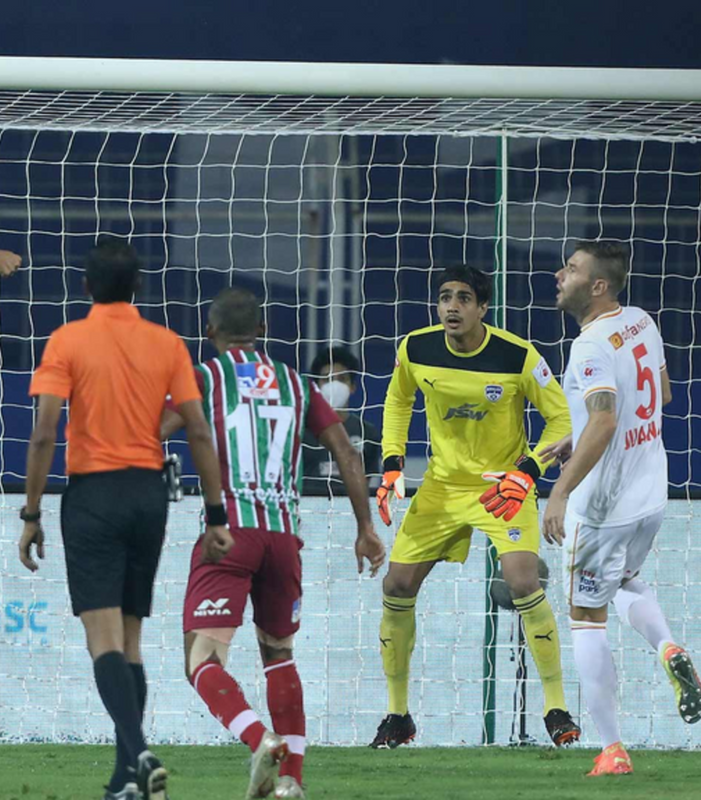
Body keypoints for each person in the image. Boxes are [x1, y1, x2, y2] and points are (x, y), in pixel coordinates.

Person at [18, 237, 233, 800]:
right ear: (138, 285)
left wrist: (31, 512)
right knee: (132, 641)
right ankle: (124, 781)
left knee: (103, 641)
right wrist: (216, 515)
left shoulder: (68, 340)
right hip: (148, 496)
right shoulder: (166, 344)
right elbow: (198, 429)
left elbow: (44, 434)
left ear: (86, 286)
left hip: (94, 494)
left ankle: (138, 751)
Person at [160, 287, 386, 800]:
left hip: (229, 532)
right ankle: (291, 782)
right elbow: (348, 454)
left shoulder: (205, 377)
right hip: (283, 536)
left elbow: (155, 433)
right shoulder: (296, 384)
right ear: (261, 331)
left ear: (209, 333)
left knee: (202, 658)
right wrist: (365, 528)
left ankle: (260, 738)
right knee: (279, 652)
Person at [371, 265, 581, 749]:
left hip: (501, 487)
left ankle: (556, 708)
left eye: (463, 298)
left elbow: (561, 419)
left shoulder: (517, 355)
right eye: (445, 297)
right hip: (442, 487)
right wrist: (392, 462)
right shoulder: (415, 348)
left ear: (483, 308)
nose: (452, 307)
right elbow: (398, 401)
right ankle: (397, 716)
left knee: (523, 581)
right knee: (396, 584)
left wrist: (527, 471)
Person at [541, 241, 701, 777]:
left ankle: (612, 750)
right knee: (626, 579)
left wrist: (561, 492)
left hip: (602, 509)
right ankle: (667, 644)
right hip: (649, 495)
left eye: (571, 269)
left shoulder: (589, 346)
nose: (559, 274)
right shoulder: (640, 321)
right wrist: (580, 434)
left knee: (586, 618)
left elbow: (606, 419)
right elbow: (661, 394)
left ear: (598, 286)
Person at [302, 346, 381, 493]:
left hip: (350, 504)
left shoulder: (367, 432)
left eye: (342, 379)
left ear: (352, 387)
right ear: (316, 386)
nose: (334, 385)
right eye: (327, 379)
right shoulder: (301, 430)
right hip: (307, 502)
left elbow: (366, 480)